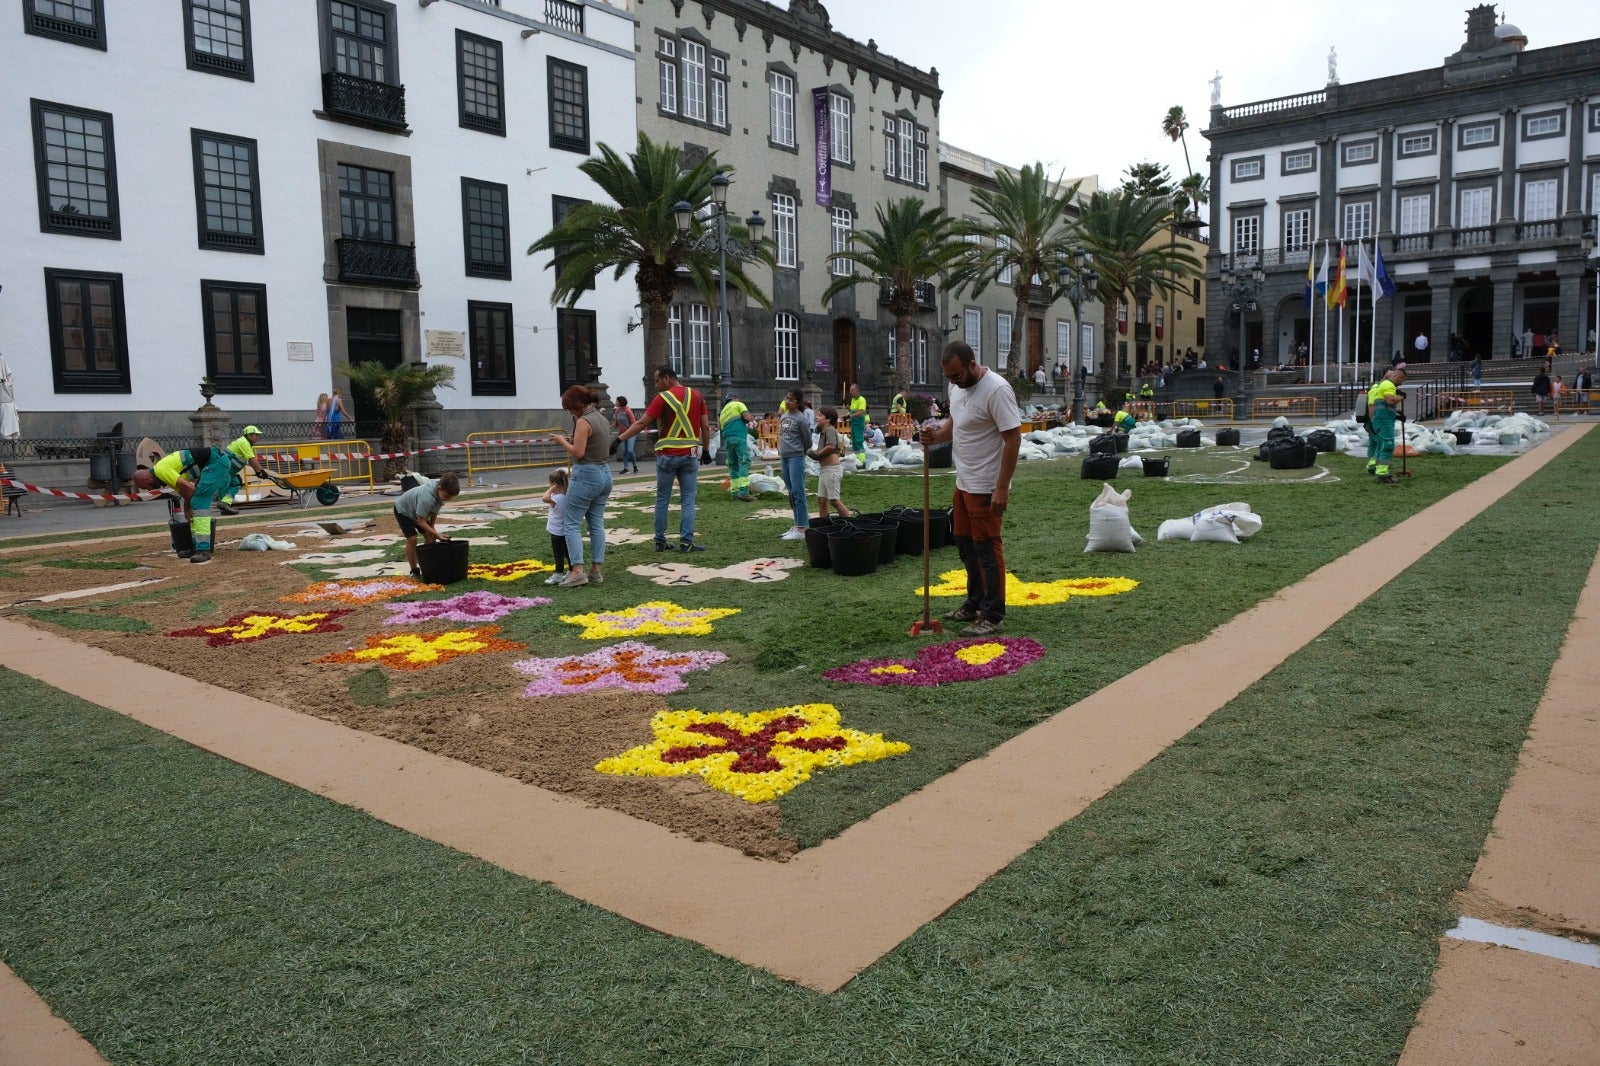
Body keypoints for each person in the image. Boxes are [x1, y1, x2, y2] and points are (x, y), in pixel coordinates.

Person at [917, 342, 1021, 637]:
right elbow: (956, 424)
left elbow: (1013, 440)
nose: (954, 382)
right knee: (964, 544)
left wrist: (1001, 488)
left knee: (987, 548)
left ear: (972, 364)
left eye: (958, 375)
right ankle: (975, 603)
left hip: (987, 484)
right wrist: (935, 436)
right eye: (949, 378)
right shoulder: (957, 388)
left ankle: (992, 614)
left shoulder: (996, 390)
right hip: (964, 482)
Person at [615, 364, 709, 553]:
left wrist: (619, 439)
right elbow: (705, 426)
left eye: (657, 381)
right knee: (688, 499)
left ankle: (660, 540)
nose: (656, 385)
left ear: (667, 378)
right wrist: (706, 450)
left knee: (662, 498)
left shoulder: (662, 398)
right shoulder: (697, 395)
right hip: (690, 454)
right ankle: (686, 541)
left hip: (667, 455)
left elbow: (642, 423)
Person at [548, 385, 613, 587]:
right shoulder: (601, 418)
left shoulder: (584, 421)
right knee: (596, 523)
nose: (570, 413)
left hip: (586, 474)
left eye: (570, 409)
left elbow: (577, 452)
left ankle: (577, 571)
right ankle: (596, 570)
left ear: (577, 405)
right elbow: (590, 444)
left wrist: (561, 441)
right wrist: (572, 440)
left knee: (571, 522)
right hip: (604, 472)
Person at [132, 447, 234, 564]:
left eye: (146, 487)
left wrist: (186, 508)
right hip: (212, 463)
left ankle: (204, 549)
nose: (149, 489)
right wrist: (188, 507)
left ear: (146, 479)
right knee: (195, 503)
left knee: (199, 502)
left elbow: (189, 489)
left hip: (216, 462)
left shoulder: (161, 471)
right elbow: (183, 490)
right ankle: (197, 546)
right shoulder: (162, 472)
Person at [394, 472, 459, 580]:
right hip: (403, 510)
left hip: (417, 511)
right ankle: (414, 570)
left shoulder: (440, 493)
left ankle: (429, 566)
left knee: (429, 537)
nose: (448, 499)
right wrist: (437, 534)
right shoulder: (427, 498)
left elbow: (434, 511)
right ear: (439, 488)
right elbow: (421, 521)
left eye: (451, 497)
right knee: (412, 538)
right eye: (447, 496)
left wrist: (432, 528)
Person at [776, 388, 814, 541]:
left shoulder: (801, 419)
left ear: (797, 403)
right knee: (791, 492)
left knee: (798, 492)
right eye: (786, 398)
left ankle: (802, 527)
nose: (787, 401)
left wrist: (800, 452)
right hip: (784, 457)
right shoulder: (784, 416)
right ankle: (796, 523)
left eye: (791, 399)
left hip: (796, 458)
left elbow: (808, 441)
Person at [1365, 364, 1407, 484]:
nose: (1401, 383)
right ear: (1396, 376)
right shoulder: (1388, 385)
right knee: (1387, 445)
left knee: (1380, 445)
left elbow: (1384, 404)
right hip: (1384, 420)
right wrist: (1400, 397)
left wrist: (1397, 414)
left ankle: (1379, 469)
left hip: (1382, 419)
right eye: (1402, 380)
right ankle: (1382, 473)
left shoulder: (1382, 386)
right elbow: (1390, 400)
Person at [810, 405, 851, 521]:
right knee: (822, 500)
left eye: (820, 415)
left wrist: (817, 455)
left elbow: (831, 447)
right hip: (825, 470)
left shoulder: (830, 430)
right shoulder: (824, 431)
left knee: (834, 500)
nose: (817, 417)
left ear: (828, 419)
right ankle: (824, 524)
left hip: (832, 470)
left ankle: (851, 523)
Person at [218, 425, 268, 515]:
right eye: (256, 435)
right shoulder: (244, 442)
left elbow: (250, 460)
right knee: (224, 487)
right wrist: (261, 470)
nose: (258, 437)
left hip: (229, 469)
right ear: (249, 435)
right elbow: (252, 459)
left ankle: (225, 504)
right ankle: (224, 506)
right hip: (225, 468)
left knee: (236, 484)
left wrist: (258, 471)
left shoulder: (247, 443)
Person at [719, 392, 755, 501]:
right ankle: (743, 491)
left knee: (733, 464)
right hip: (739, 437)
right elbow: (747, 417)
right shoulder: (738, 404)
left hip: (728, 440)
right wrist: (750, 417)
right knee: (744, 461)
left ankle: (735, 492)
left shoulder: (723, 412)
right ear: (735, 398)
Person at [541, 469, 571, 586]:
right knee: (567, 552)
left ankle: (558, 575)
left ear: (553, 483)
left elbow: (544, 498)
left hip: (557, 531)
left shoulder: (557, 499)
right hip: (565, 530)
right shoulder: (567, 496)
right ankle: (571, 570)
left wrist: (552, 488)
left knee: (558, 554)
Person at [611, 396, 638, 474]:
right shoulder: (617, 411)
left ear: (621, 402)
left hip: (630, 433)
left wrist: (630, 431)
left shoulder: (628, 410)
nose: (615, 402)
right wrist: (609, 426)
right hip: (622, 435)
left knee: (630, 450)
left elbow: (633, 422)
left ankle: (635, 466)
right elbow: (616, 423)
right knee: (624, 451)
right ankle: (626, 468)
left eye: (616, 401)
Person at [847, 383, 868, 464]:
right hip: (853, 423)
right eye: (850, 390)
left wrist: (850, 416)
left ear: (857, 391)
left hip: (858, 422)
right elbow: (852, 410)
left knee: (858, 441)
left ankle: (862, 460)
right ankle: (857, 458)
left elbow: (861, 412)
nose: (850, 392)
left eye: (852, 390)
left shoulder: (861, 400)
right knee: (854, 441)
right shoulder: (853, 399)